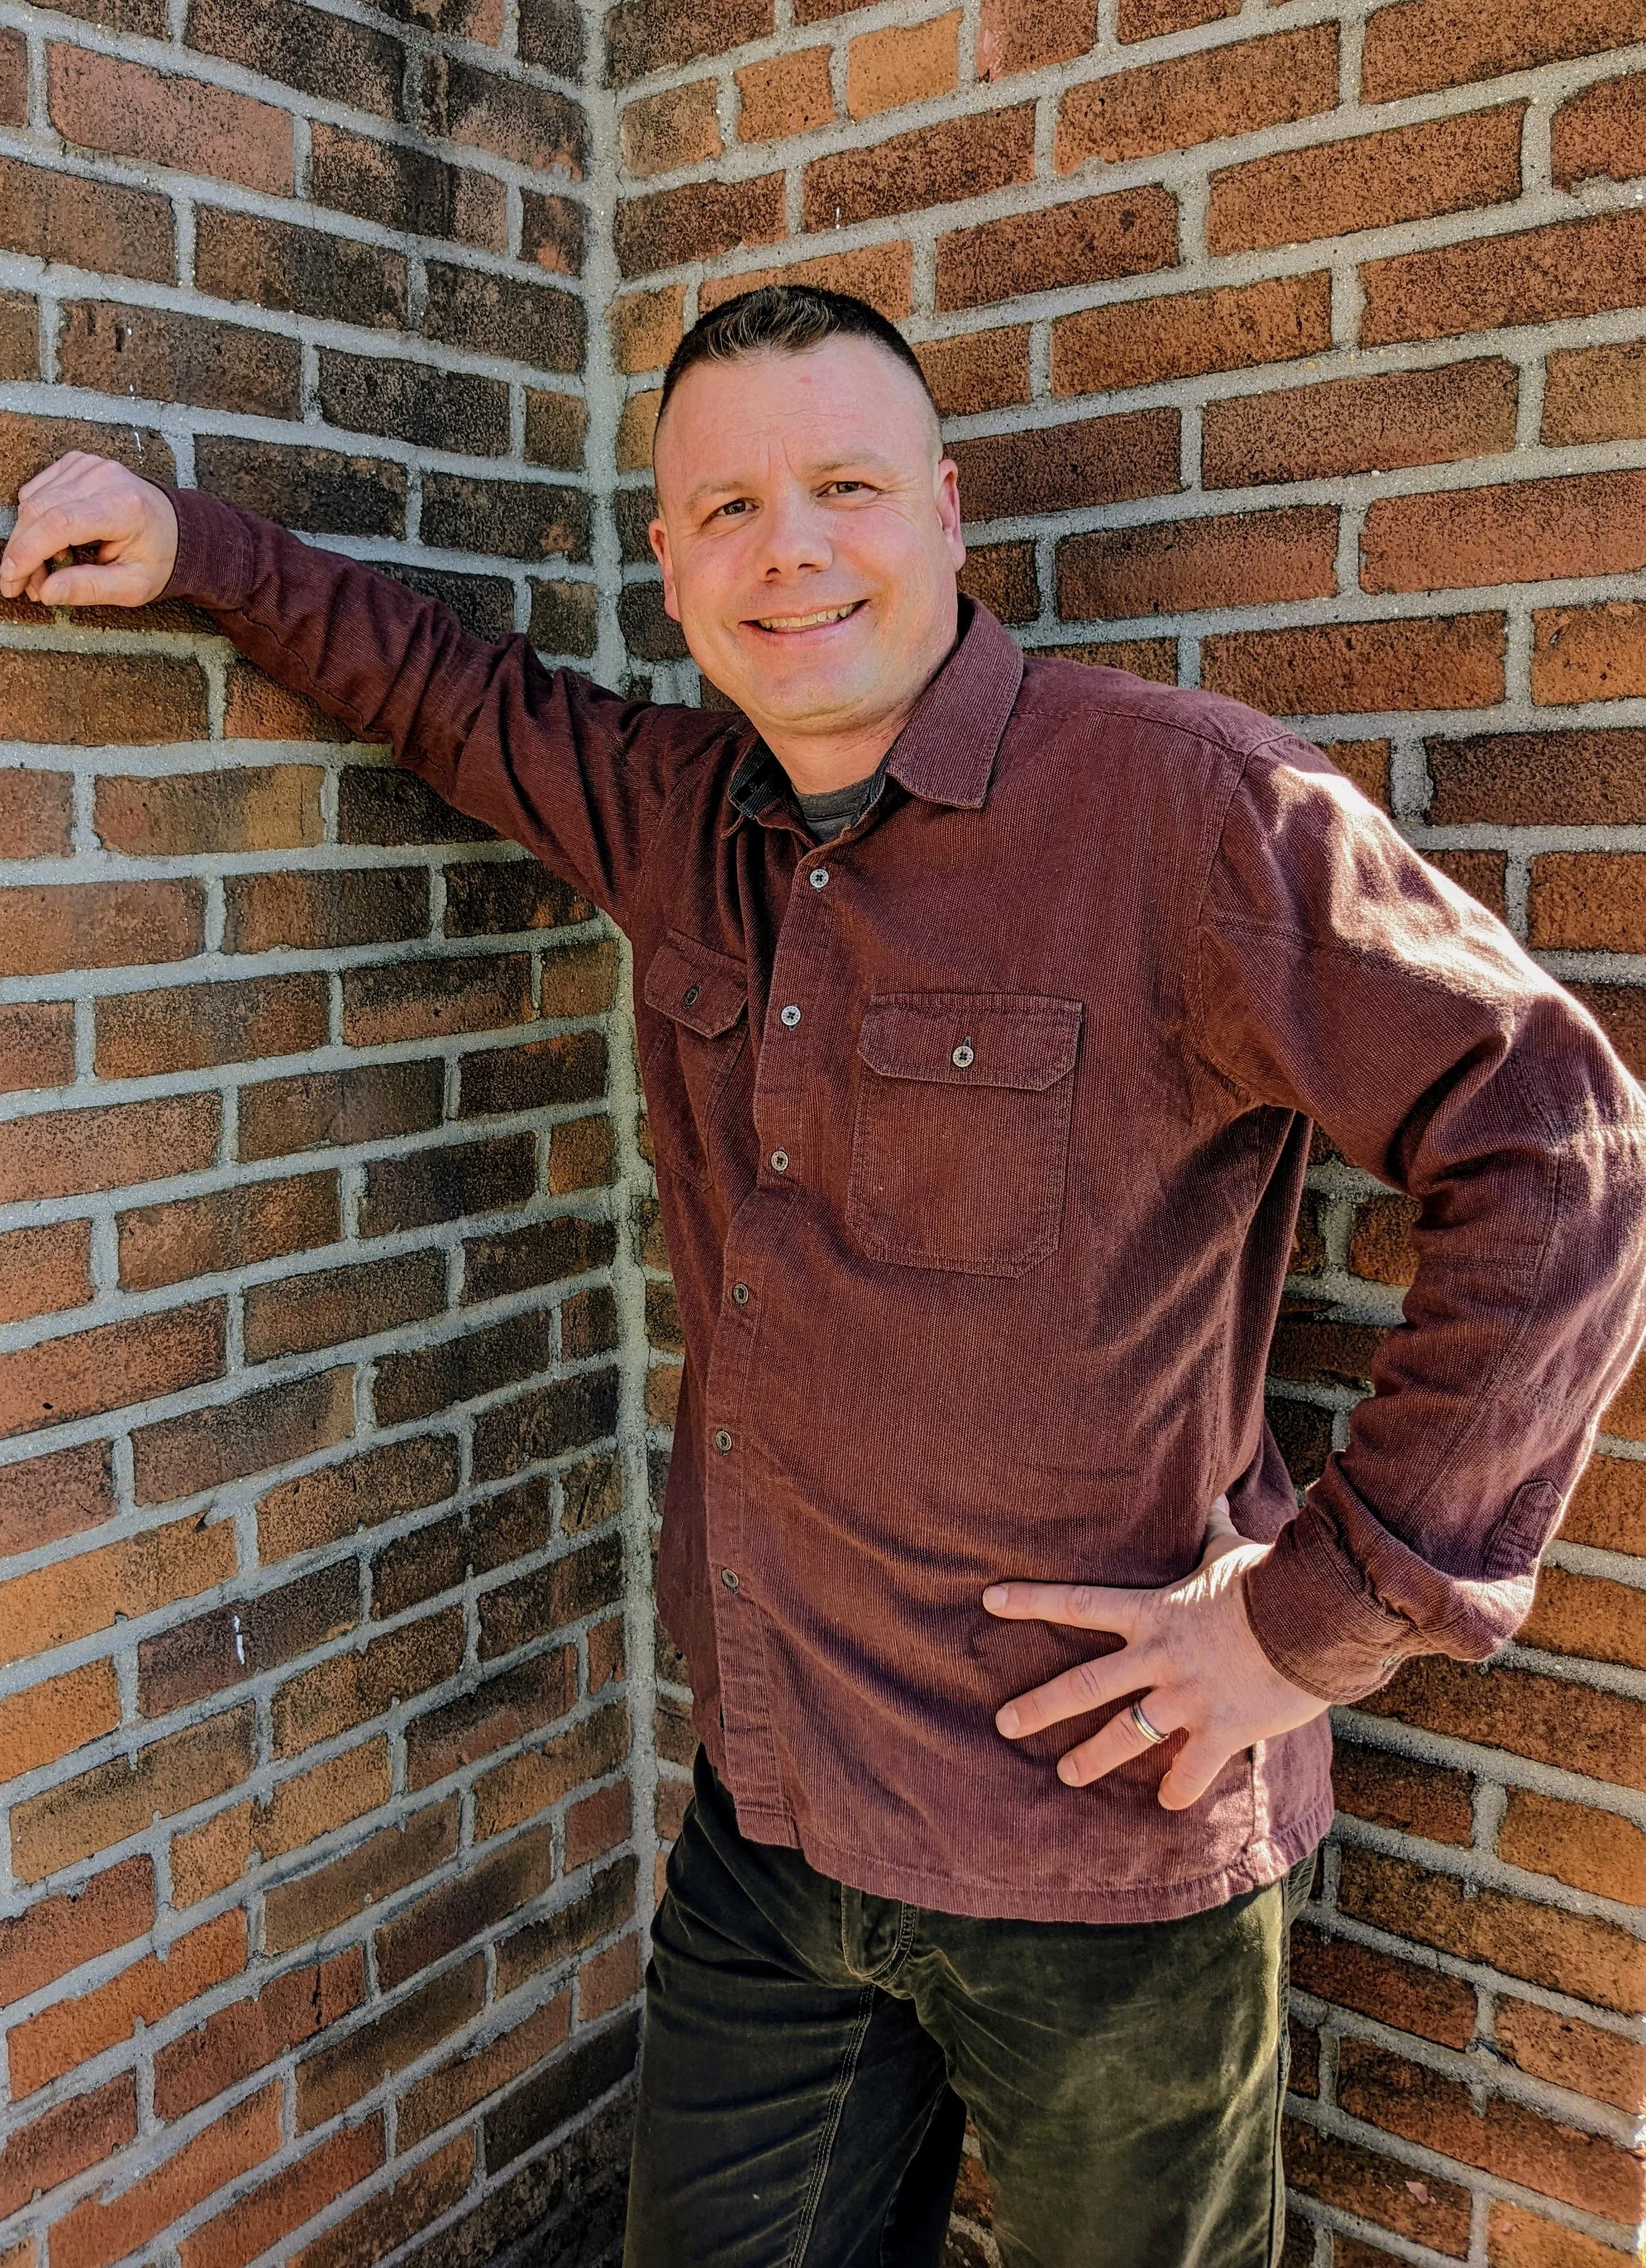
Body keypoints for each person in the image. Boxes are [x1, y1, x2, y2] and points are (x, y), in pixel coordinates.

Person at [5, 285, 1645, 2268]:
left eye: (844, 486)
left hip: (1100, 1843)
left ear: (948, 516)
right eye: (725, 508)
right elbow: (444, 687)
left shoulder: (1188, 808)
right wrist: (200, 552)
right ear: (671, 563)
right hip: (771, 1827)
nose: (788, 549)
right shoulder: (681, 814)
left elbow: (1559, 1149)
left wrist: (1318, 1616)